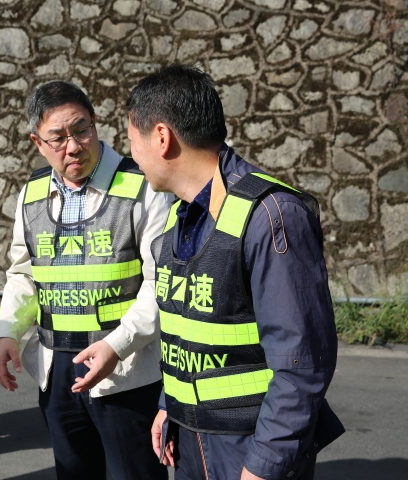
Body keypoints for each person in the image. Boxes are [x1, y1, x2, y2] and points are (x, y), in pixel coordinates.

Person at [125, 64, 345, 480]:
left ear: (161, 137)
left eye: (132, 140)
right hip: (190, 438)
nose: (132, 155)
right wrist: (170, 404)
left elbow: (301, 364)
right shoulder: (179, 215)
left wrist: (263, 466)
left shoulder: (271, 214)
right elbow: (190, 330)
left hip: (250, 448)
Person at [0, 81, 173, 480]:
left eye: (82, 130)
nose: (73, 146)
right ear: (37, 142)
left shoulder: (142, 186)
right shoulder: (31, 193)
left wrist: (116, 345)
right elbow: (23, 272)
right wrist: (8, 332)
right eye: (58, 137)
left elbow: (160, 282)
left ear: (95, 123)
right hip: (56, 370)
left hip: (126, 371)